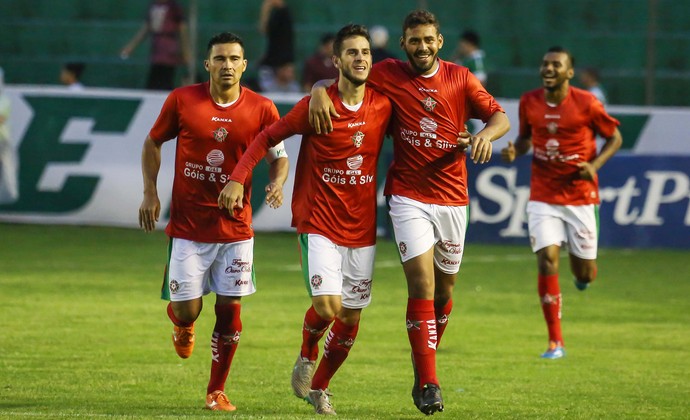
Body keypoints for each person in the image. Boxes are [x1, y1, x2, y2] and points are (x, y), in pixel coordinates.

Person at [308, 10, 510, 415]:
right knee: (422, 284)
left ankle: (421, 373)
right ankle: (431, 383)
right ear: (403, 43)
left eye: (428, 40)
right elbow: (342, 80)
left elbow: (499, 117)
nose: (422, 47)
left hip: (453, 197)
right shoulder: (387, 73)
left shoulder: (460, 77)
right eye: (414, 40)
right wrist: (316, 89)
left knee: (444, 292)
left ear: (440, 42)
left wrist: (485, 136)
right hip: (407, 195)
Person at [219, 24, 392, 416]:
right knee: (329, 307)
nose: (361, 58)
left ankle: (321, 388)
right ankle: (305, 355)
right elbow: (265, 138)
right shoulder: (316, 104)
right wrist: (236, 177)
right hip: (319, 222)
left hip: (362, 228)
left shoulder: (384, 104)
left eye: (365, 52)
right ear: (336, 61)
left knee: (351, 315)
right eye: (351, 52)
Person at [138, 31, 289, 411]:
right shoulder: (182, 100)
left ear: (244, 64)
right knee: (189, 308)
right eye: (219, 59)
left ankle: (216, 390)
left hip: (236, 229)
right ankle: (183, 322)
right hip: (189, 228)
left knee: (230, 309)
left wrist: (276, 181)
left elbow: (280, 156)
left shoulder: (262, 108)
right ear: (207, 64)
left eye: (233, 59)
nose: (226, 65)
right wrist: (151, 193)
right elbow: (153, 142)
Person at [500, 46, 622, 359]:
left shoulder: (587, 102)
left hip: (580, 196)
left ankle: (583, 279)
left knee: (584, 273)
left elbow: (615, 138)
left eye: (556, 65)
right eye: (545, 64)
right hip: (544, 194)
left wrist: (593, 167)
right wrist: (517, 150)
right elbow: (526, 138)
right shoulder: (529, 101)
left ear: (569, 72)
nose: (548, 69)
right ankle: (556, 342)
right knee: (547, 259)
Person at [120, 0, 191, 90]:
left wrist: (185, 51)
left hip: (169, 53)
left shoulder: (173, 7)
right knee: (153, 83)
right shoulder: (154, 6)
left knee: (165, 80)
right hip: (156, 52)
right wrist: (131, 46)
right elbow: (147, 28)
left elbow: (182, 29)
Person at [257, 0, 295, 93]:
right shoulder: (278, 13)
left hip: (279, 64)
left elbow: (263, 28)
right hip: (273, 63)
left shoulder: (283, 15)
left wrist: (265, 9)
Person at [0, 66, 19, 205]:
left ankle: (11, 195)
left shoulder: (3, 100)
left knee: (8, 168)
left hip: (2, 140)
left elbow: (1, 118)